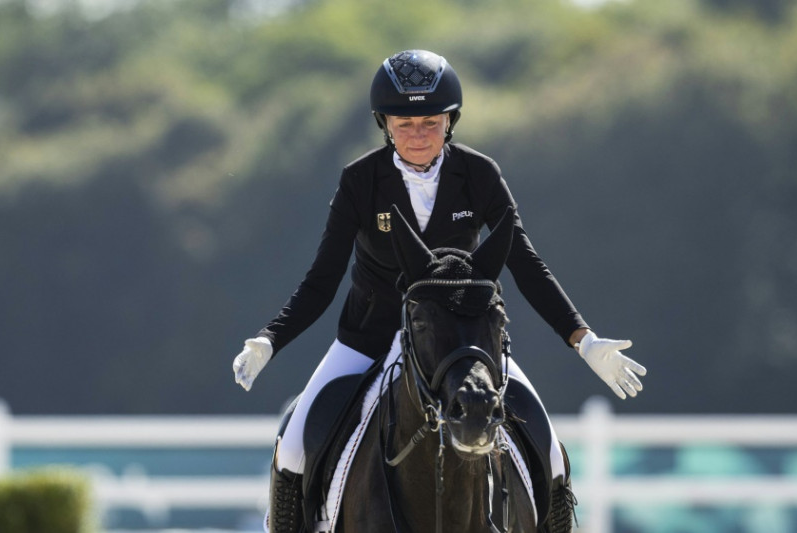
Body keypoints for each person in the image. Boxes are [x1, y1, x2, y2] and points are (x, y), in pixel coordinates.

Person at [231, 49, 647, 533]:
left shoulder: (479, 175)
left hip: (461, 340)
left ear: (451, 121)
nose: (418, 135)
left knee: (549, 449)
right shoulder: (360, 182)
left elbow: (525, 262)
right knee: (297, 442)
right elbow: (322, 279)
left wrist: (584, 340)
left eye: (431, 122)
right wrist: (270, 338)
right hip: (367, 339)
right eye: (404, 124)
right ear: (384, 123)